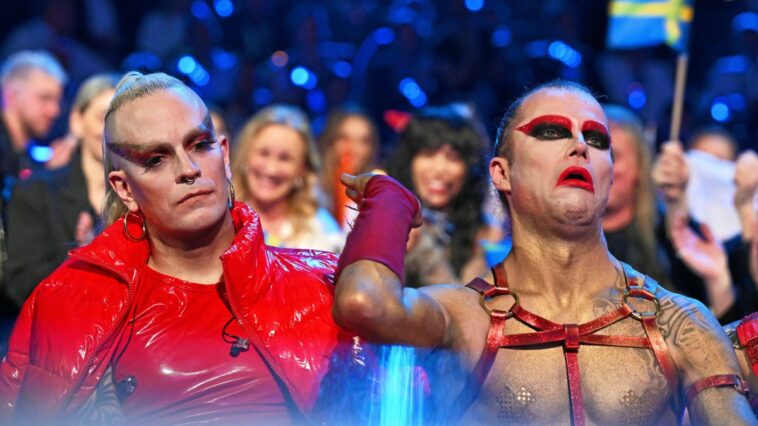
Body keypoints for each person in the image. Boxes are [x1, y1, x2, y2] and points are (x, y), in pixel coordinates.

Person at [334, 81, 755, 424]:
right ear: (502, 172)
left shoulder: (680, 323)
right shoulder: (464, 317)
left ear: (610, 177)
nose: (580, 146)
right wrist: (389, 204)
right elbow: (364, 303)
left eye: (596, 138)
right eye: (551, 132)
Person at [0, 72, 351, 424]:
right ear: (124, 189)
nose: (189, 169)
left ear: (224, 154)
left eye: (200, 144)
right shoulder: (64, 302)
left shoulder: (321, 282)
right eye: (156, 159)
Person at [3, 73, 119, 309]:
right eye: (102, 118)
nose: (111, 132)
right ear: (77, 122)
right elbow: (21, 285)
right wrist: (81, 261)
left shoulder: (141, 195)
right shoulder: (35, 192)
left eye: (121, 121)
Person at [385, 104, 490, 286]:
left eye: (453, 157)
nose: (440, 169)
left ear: (469, 168)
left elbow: (469, 301)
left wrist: (423, 247)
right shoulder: (385, 215)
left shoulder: (479, 232)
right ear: (408, 161)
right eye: (428, 154)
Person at [231, 104, 344, 253]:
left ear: (303, 169)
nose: (271, 170)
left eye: (285, 158)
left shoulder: (323, 231)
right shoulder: (221, 221)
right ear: (245, 156)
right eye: (264, 153)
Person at [0, 50, 66, 225]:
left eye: (57, 101)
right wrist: (47, 178)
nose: (55, 111)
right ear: (11, 97)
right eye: (45, 98)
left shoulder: (24, 156)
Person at [318, 107, 380, 229]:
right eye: (345, 139)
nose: (353, 149)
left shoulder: (377, 193)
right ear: (331, 142)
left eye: (363, 141)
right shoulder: (314, 189)